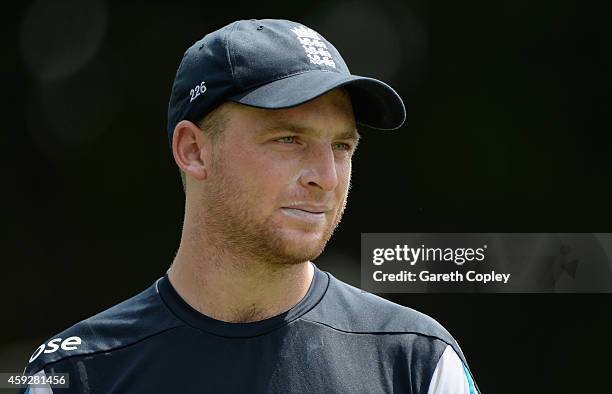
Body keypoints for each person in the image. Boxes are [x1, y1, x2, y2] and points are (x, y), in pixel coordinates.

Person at [20, 19, 479, 393]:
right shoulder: (75, 375)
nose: (327, 176)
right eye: (288, 139)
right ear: (194, 151)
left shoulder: (416, 361)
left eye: (341, 146)